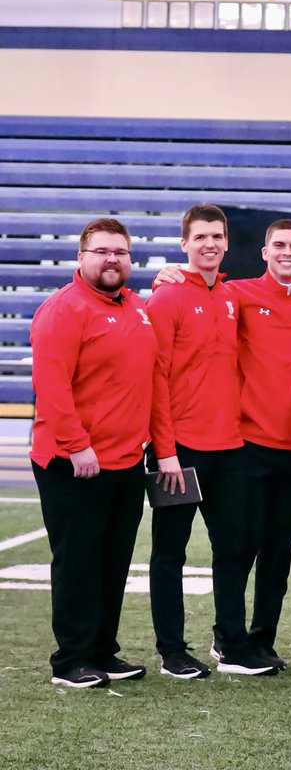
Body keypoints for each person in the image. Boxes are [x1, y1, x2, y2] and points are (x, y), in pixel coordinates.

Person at [154, 219, 291, 670]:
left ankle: (258, 638)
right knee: (228, 546)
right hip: (243, 445)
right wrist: (166, 273)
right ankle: (204, 643)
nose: (287, 252)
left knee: (275, 548)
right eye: (279, 245)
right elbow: (187, 292)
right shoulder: (239, 294)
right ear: (263, 252)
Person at [147, 203, 276, 678]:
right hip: (179, 450)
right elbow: (154, 377)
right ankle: (171, 650)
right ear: (185, 244)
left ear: (226, 243)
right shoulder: (166, 297)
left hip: (230, 448)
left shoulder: (230, 294)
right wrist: (165, 451)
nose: (210, 245)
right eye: (200, 237)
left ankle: (231, 642)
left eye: (217, 237)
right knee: (170, 552)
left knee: (235, 547)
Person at [29, 218, 157, 689]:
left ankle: (103, 651)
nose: (111, 259)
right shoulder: (64, 308)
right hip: (75, 462)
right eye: (101, 251)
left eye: (120, 252)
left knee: (112, 562)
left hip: (126, 460)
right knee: (79, 561)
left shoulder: (136, 307)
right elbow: (52, 385)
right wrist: (77, 446)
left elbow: (146, 381)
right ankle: (71, 660)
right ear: (81, 258)